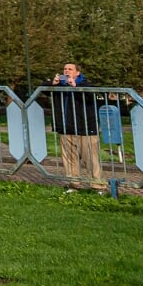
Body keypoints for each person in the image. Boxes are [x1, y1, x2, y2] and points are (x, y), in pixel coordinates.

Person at [51, 63, 102, 191]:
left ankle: (98, 186)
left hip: (85, 128)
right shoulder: (60, 86)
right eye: (65, 69)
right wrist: (53, 84)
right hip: (66, 127)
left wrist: (76, 86)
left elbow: (91, 96)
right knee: (69, 159)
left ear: (77, 72)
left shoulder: (86, 84)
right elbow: (42, 89)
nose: (67, 71)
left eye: (70, 69)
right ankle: (74, 184)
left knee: (90, 158)